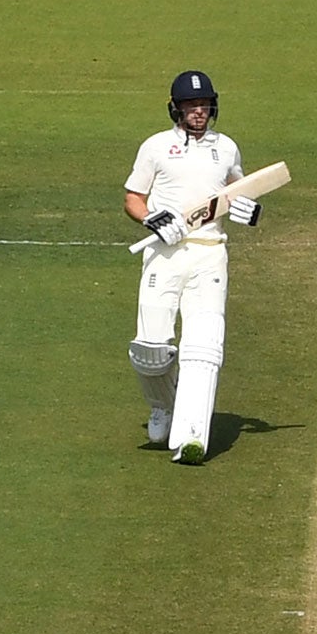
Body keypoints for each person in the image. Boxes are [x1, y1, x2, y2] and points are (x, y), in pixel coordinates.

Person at [122, 69, 264, 464]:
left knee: (203, 345)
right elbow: (133, 198)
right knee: (150, 349)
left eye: (203, 105)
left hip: (209, 252)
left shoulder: (227, 148)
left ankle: (192, 435)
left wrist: (247, 210)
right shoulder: (155, 147)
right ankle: (164, 406)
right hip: (164, 253)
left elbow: (241, 190)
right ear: (176, 109)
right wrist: (152, 218)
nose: (198, 112)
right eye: (190, 106)